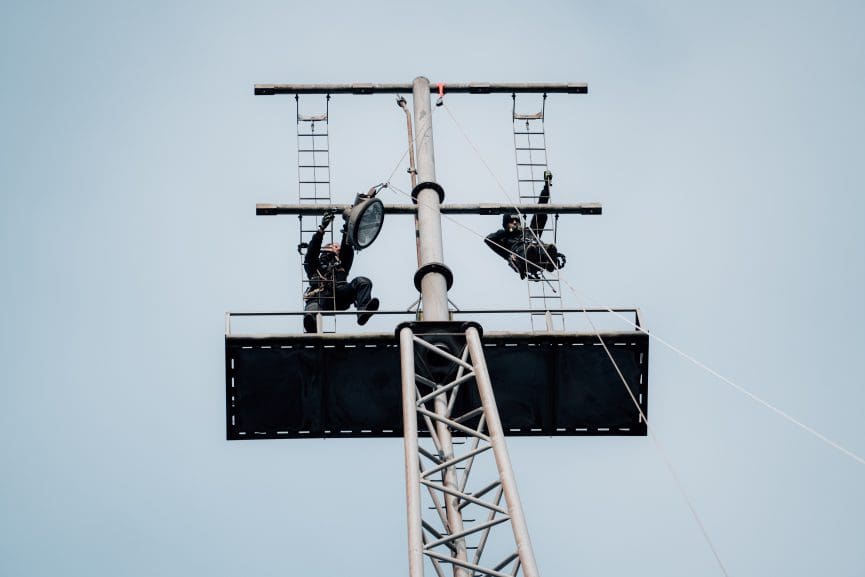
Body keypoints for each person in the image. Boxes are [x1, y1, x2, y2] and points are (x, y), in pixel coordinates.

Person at [303, 212, 379, 333]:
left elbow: (347, 248)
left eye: (338, 247)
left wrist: (348, 226)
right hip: (321, 295)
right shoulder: (315, 266)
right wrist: (321, 230)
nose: (337, 248)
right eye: (334, 246)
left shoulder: (342, 264)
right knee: (313, 307)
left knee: (363, 282)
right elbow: (311, 253)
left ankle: (363, 311)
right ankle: (312, 326)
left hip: (340, 294)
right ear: (326, 249)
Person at [484, 170, 566, 279]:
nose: (515, 223)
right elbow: (489, 239)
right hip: (522, 260)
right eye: (511, 222)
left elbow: (541, 211)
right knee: (526, 249)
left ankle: (549, 259)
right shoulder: (505, 242)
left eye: (517, 221)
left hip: (538, 257)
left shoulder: (530, 231)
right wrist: (506, 232)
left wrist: (547, 187)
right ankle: (531, 256)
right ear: (506, 225)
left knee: (540, 246)